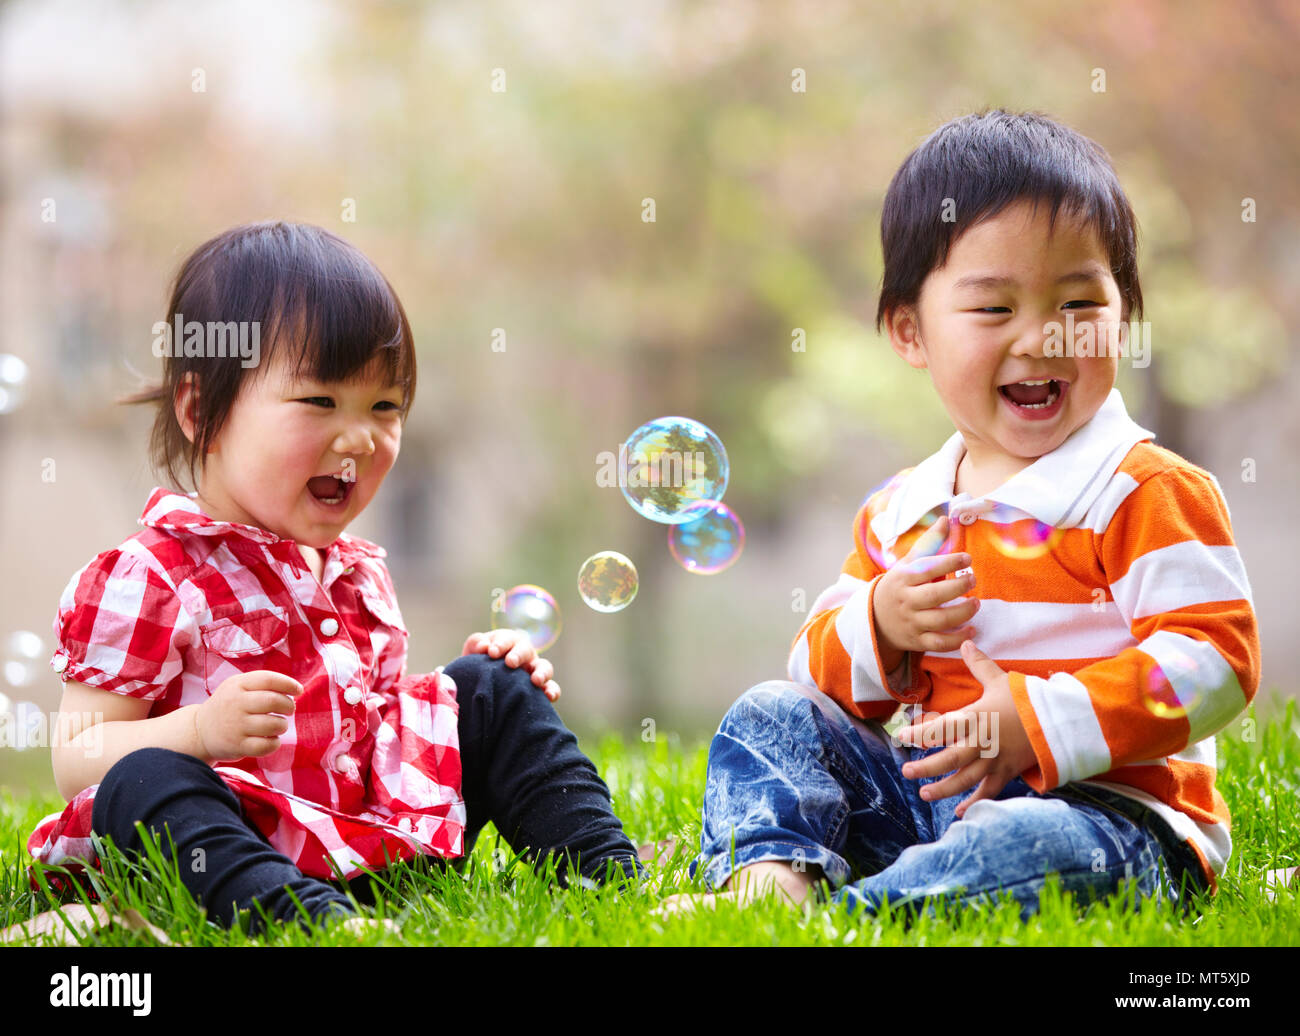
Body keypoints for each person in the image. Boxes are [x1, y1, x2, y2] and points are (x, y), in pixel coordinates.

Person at [658, 109, 1260, 920]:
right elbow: (820, 671)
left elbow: (1216, 661)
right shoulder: (906, 511)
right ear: (911, 332)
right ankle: (770, 886)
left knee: (1027, 850)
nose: (1042, 337)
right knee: (769, 712)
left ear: (1125, 314)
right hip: (924, 805)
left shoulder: (1141, 489)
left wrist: (1039, 720)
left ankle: (852, 917)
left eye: (1079, 303)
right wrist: (882, 621)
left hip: (1108, 817)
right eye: (993, 309)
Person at [27, 220, 643, 936]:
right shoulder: (151, 575)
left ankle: (607, 872)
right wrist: (198, 729)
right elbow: (77, 759)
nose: (360, 438)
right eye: (319, 402)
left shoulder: (355, 570)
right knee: (143, 780)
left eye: (385, 407)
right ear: (201, 413)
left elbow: (365, 733)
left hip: (357, 836)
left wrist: (466, 693)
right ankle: (304, 920)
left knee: (489, 686)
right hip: (211, 849)